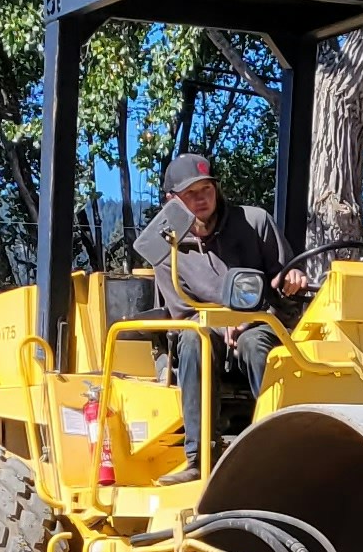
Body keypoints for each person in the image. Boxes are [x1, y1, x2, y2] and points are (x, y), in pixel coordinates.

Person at [135, 151, 316, 475]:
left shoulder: (255, 221)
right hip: (205, 329)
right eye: (191, 193)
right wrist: (223, 324)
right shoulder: (165, 249)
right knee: (193, 343)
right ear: (171, 200)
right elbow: (183, 314)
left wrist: (292, 279)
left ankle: (277, 448)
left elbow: (286, 284)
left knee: (255, 344)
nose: (201, 199)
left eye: (206, 189)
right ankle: (199, 457)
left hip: (263, 320)